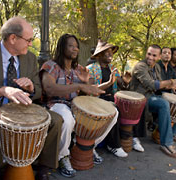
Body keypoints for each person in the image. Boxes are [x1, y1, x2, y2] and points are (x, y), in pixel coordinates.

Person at [0, 17, 63, 180]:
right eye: (29, 40)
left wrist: (31, 88)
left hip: (23, 110)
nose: (31, 44)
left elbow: (39, 92)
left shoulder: (30, 58)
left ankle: (43, 167)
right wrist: (2, 90)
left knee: (55, 120)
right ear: (13, 38)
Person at [40, 34, 119, 178]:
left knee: (113, 113)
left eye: (76, 46)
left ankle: (87, 146)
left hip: (76, 105)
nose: (75, 49)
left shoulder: (79, 69)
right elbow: (49, 89)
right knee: (67, 119)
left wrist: (97, 82)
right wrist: (78, 85)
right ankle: (63, 157)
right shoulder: (51, 66)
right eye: (71, 46)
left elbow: (91, 89)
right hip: (56, 104)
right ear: (62, 47)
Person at [129, 44, 176, 158]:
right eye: (149, 54)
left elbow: (161, 84)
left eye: (154, 55)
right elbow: (152, 84)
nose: (150, 57)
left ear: (159, 57)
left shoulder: (156, 68)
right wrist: (172, 81)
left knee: (174, 102)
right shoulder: (140, 66)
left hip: (150, 96)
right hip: (139, 98)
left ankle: (166, 134)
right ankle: (166, 143)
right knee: (163, 103)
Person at [87, 40, 135, 154]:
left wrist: (126, 82)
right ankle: (113, 145)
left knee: (129, 105)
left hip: (111, 98)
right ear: (99, 55)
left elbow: (121, 84)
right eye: (106, 52)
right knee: (114, 107)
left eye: (111, 52)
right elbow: (92, 89)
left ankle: (130, 138)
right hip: (97, 99)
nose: (110, 54)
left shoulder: (113, 68)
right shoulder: (90, 69)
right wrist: (108, 83)